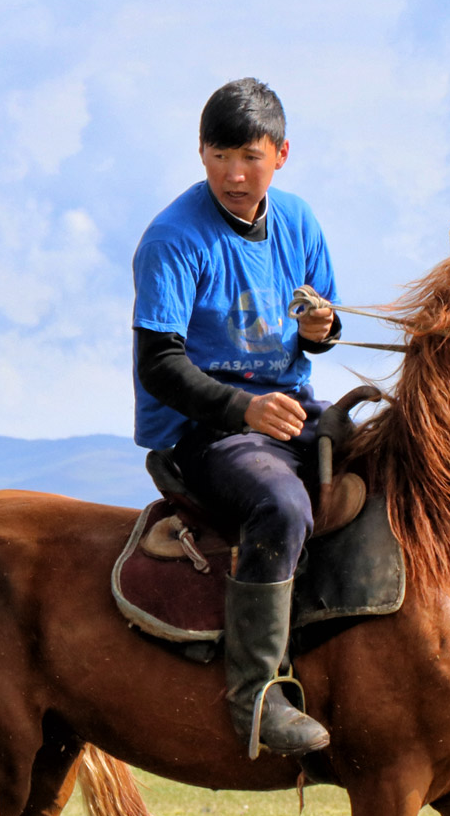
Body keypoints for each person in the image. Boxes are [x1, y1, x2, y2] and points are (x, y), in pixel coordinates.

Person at [130, 78, 342, 759]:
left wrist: (321, 329)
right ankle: (255, 692)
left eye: (249, 156)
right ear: (201, 155)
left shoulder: (301, 222)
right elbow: (158, 364)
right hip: (201, 428)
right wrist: (242, 407)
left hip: (286, 405)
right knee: (281, 505)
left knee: (397, 455)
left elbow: (319, 332)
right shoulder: (172, 238)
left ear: (281, 154)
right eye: (219, 155)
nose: (233, 173)